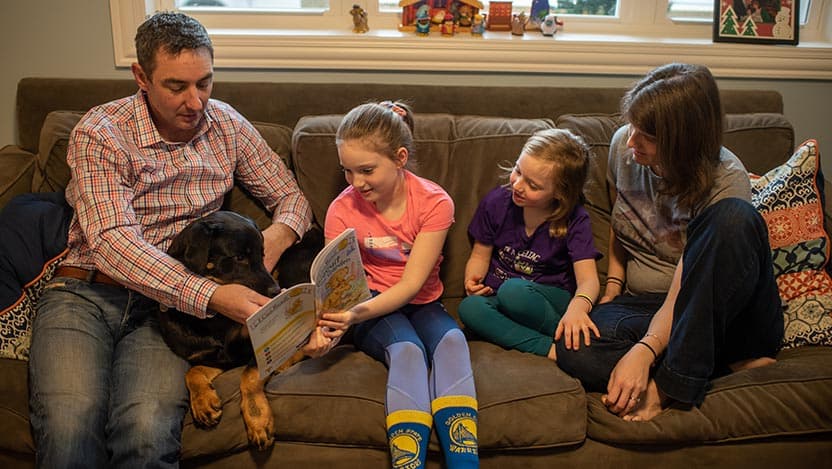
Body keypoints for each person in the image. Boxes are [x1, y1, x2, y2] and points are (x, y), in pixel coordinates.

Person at [27, 12, 322, 468]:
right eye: (177, 86)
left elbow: (291, 198)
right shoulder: (100, 133)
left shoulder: (226, 125)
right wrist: (212, 294)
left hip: (166, 315)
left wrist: (272, 242)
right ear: (141, 77)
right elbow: (113, 241)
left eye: (205, 83)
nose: (195, 101)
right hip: (86, 293)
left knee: (146, 430)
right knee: (71, 421)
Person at [555, 63, 783, 422]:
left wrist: (646, 350)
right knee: (575, 348)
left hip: (720, 311)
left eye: (646, 135)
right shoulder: (624, 148)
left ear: (684, 140)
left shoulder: (727, 180)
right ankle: (720, 365)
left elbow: (687, 285)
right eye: (632, 126)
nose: (631, 141)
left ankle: (669, 386)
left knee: (734, 217)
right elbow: (622, 218)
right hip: (646, 305)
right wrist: (613, 287)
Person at [319, 101, 478, 468]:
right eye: (347, 171)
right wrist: (342, 318)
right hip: (369, 305)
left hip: (419, 299)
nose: (356, 182)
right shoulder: (341, 210)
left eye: (367, 170)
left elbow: (412, 285)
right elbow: (335, 286)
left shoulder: (434, 202)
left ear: (400, 158)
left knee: (453, 341)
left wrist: (352, 314)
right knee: (408, 350)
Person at [458, 129, 601, 362]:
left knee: (514, 291)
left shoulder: (575, 219)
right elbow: (480, 255)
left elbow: (589, 280)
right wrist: (472, 280)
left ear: (560, 193)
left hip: (547, 299)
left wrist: (579, 307)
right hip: (499, 296)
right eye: (517, 170)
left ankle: (566, 333)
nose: (518, 185)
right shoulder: (497, 202)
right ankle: (552, 349)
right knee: (470, 308)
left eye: (533, 185)